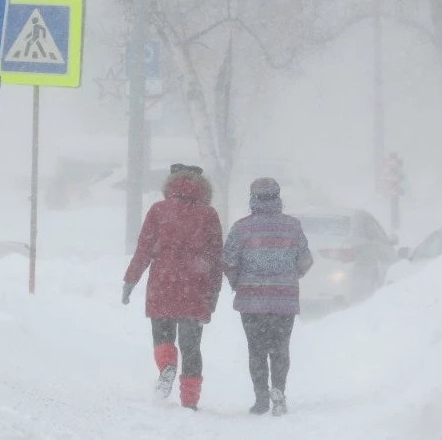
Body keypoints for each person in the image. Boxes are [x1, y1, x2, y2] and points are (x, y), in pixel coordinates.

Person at [122, 169, 223, 410]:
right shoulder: (208, 214)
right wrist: (214, 292)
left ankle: (167, 366)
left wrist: (130, 280)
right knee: (191, 348)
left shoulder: (159, 210)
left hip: (162, 284)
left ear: (171, 186)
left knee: (162, 337)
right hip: (196, 287)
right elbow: (216, 257)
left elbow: (144, 248)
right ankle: (189, 401)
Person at [222, 177, 313, 416]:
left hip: (251, 300)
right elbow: (305, 260)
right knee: (281, 348)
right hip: (284, 298)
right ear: (277, 197)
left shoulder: (241, 228)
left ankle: (261, 399)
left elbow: (229, 261)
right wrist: (292, 275)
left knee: (256, 349)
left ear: (252, 198)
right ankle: (279, 391)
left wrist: (237, 282)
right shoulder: (292, 226)